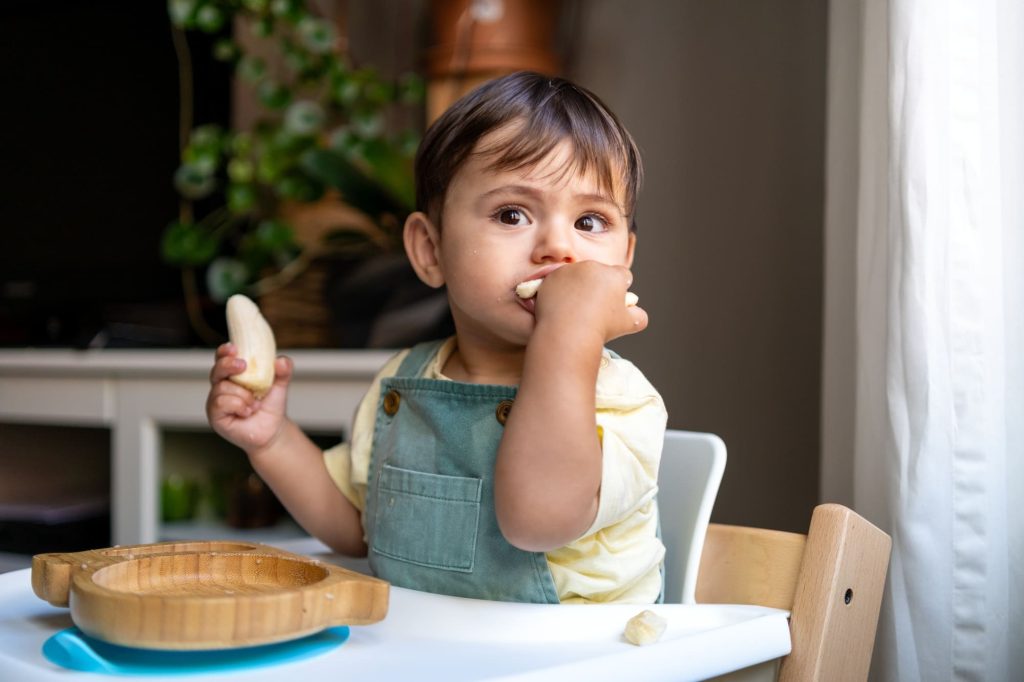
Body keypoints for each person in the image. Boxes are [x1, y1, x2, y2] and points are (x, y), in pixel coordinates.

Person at [206, 71, 668, 604]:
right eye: (512, 214)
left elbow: (538, 521)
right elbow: (358, 527)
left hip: (578, 659)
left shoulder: (619, 399)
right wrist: (272, 440)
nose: (559, 249)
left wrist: (569, 332)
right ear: (430, 250)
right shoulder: (405, 380)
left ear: (623, 264)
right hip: (429, 650)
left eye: (590, 222)